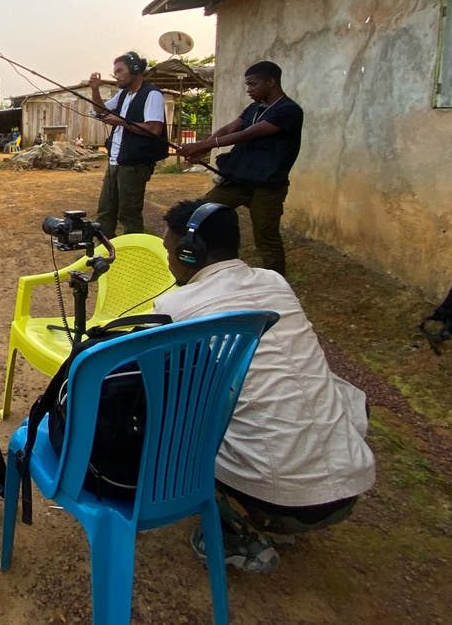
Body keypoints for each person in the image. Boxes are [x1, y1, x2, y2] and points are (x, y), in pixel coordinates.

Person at [152, 199, 376, 573]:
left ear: (191, 253)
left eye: (171, 252)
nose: (170, 261)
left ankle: (233, 529)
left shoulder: (175, 306)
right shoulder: (275, 281)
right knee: (326, 387)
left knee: (172, 417)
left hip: (273, 496)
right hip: (350, 485)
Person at [177, 61, 303, 275]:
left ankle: (276, 283)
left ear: (271, 81)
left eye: (253, 84)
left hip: (268, 186)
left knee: (266, 237)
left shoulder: (289, 110)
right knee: (201, 213)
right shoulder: (255, 107)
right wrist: (203, 149)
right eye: (247, 84)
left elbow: (248, 134)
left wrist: (204, 145)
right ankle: (199, 266)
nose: (249, 89)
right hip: (237, 181)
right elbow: (231, 127)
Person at [89, 51, 168, 235]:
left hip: (134, 164)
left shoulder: (152, 94)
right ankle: (105, 252)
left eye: (119, 71)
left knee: (129, 214)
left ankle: (133, 254)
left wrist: (122, 122)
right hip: (115, 160)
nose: (116, 76)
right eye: (114, 72)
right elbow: (101, 110)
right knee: (105, 212)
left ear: (135, 69)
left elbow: (154, 129)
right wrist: (94, 89)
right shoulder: (124, 94)